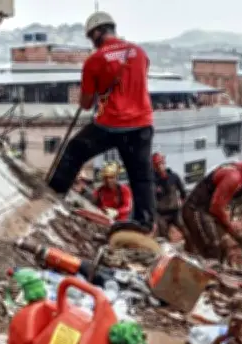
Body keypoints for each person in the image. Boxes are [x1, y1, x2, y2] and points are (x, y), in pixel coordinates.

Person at [44, 11, 155, 233]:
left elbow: (86, 103)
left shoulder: (95, 60)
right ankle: (144, 222)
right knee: (141, 176)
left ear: (97, 33)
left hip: (111, 123)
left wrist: (95, 91)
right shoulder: (140, 53)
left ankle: (54, 194)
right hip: (142, 123)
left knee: (75, 150)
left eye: (90, 37)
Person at [181, 148, 242, 260]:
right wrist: (235, 234)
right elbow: (216, 208)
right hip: (195, 209)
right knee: (213, 248)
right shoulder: (234, 177)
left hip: (209, 211)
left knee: (224, 248)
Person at [152, 152, 188, 239]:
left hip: (175, 211)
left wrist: (184, 207)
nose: (160, 167)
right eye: (157, 165)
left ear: (164, 163)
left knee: (185, 227)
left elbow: (183, 193)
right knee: (162, 234)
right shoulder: (152, 181)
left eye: (161, 163)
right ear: (154, 167)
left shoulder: (174, 177)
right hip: (161, 214)